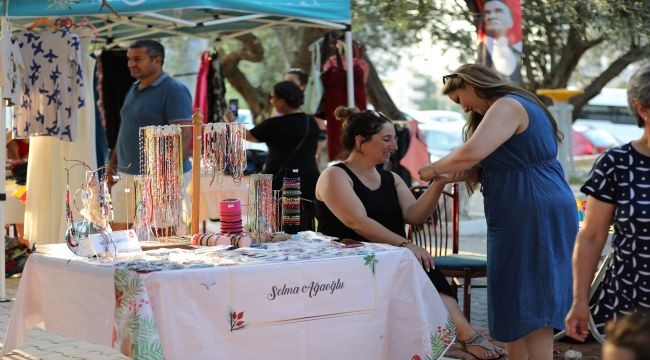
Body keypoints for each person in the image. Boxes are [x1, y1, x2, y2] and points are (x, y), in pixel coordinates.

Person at [315, 106, 508, 360]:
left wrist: (439, 182)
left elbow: (415, 215)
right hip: (349, 259)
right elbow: (357, 222)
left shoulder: (391, 178)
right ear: (361, 142)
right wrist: (406, 245)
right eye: (386, 139)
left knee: (418, 262)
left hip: (391, 257)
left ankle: (459, 339)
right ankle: (465, 338)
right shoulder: (334, 175)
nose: (394, 146)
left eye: (394, 138)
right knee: (415, 260)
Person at [418, 64, 577, 359]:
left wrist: (433, 167)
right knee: (511, 290)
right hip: (518, 206)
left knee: (532, 291)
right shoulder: (506, 107)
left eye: (459, 98)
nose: (463, 106)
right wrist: (455, 175)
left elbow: (472, 152)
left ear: (473, 83)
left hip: (532, 205)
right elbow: (485, 163)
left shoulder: (507, 105)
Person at [565, 65, 650, 342]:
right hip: (629, 306)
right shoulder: (616, 164)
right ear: (643, 109)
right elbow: (591, 237)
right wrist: (579, 301)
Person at [106, 39, 193, 235]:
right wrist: (112, 164)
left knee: (163, 234)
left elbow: (183, 136)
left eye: (137, 59)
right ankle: (122, 266)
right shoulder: (134, 87)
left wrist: (168, 179)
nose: (130, 64)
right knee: (119, 232)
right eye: (129, 59)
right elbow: (125, 129)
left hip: (160, 176)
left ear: (157, 60)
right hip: (127, 173)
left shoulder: (174, 90)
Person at [226, 81, 320, 231]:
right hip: (309, 180)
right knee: (306, 226)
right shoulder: (311, 122)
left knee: (281, 227)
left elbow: (248, 136)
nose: (271, 101)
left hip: (281, 182)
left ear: (281, 101)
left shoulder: (275, 123)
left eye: (273, 97)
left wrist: (231, 120)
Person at [284, 68, 328, 169]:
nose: (287, 86)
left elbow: (321, 135)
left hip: (304, 164)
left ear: (303, 86)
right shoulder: (278, 105)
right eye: (285, 82)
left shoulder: (310, 107)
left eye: (291, 82)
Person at [478, 0, 522, 84]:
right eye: (487, 12)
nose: (491, 16)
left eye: (498, 11)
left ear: (511, 21)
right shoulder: (481, 51)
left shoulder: (516, 52)